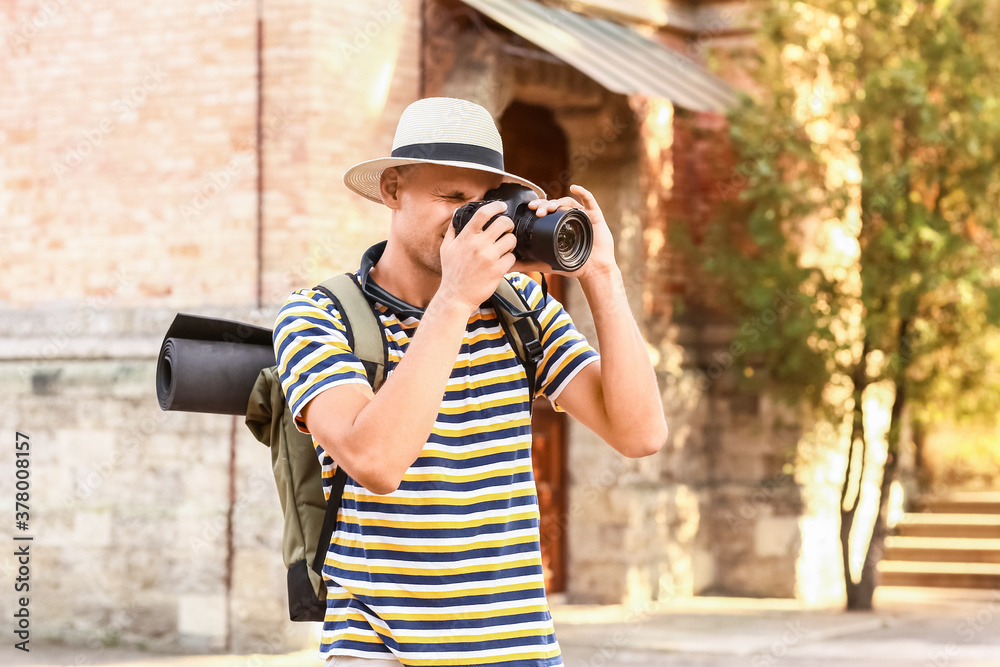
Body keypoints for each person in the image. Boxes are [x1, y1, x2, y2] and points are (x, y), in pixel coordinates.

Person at [273, 97, 668, 667]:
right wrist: (455, 297)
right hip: (378, 652)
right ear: (392, 189)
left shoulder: (519, 307)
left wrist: (601, 277)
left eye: (483, 204)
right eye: (452, 199)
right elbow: (377, 461)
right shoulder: (318, 317)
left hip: (520, 649)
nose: (470, 221)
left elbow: (640, 434)